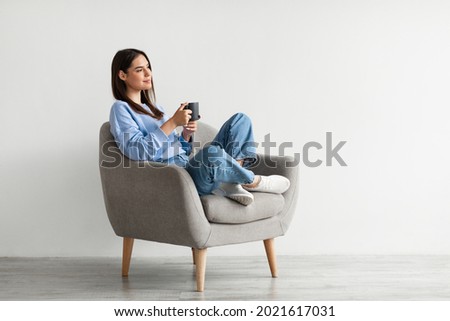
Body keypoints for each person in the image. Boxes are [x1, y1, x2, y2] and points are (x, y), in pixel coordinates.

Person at [109, 48, 290, 206]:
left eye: (148, 67)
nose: (148, 74)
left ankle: (233, 182)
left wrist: (185, 135)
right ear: (122, 75)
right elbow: (137, 151)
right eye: (140, 70)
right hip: (177, 178)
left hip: (189, 165)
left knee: (240, 120)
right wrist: (172, 122)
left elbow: (180, 151)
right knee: (210, 154)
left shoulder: (157, 110)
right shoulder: (121, 109)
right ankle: (252, 181)